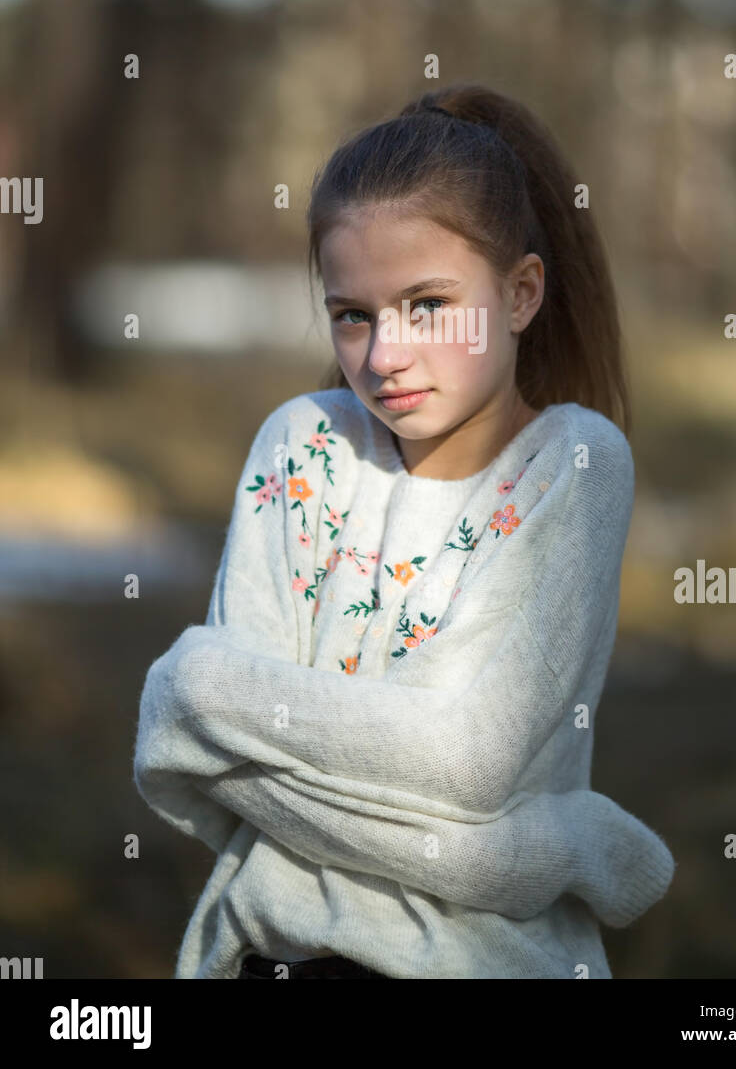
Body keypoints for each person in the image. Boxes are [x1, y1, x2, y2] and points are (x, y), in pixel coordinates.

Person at [133, 82, 675, 980]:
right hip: (271, 960)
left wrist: (193, 682)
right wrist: (530, 850)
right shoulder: (302, 446)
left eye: (427, 305)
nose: (384, 356)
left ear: (522, 292)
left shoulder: (575, 465)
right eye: (353, 313)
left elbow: (465, 761)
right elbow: (199, 771)